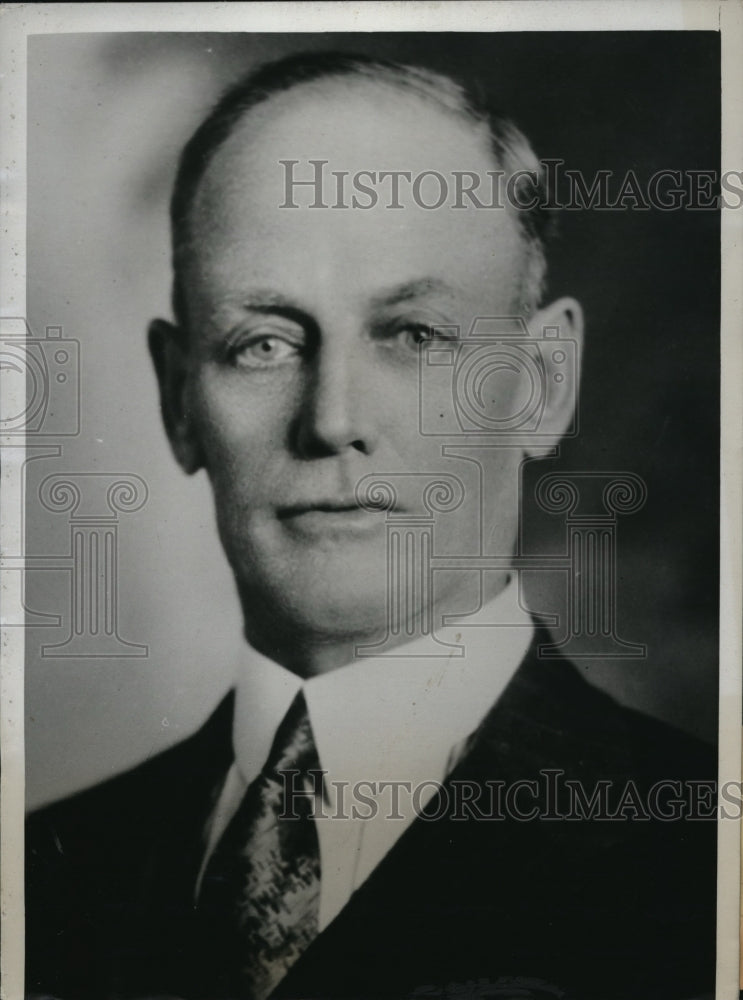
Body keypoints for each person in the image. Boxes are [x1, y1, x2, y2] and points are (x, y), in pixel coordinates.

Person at [25, 51, 716, 1000]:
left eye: (414, 337)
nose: (333, 417)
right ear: (179, 399)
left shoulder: (705, 861)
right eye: (262, 343)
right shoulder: (39, 879)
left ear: (543, 381)